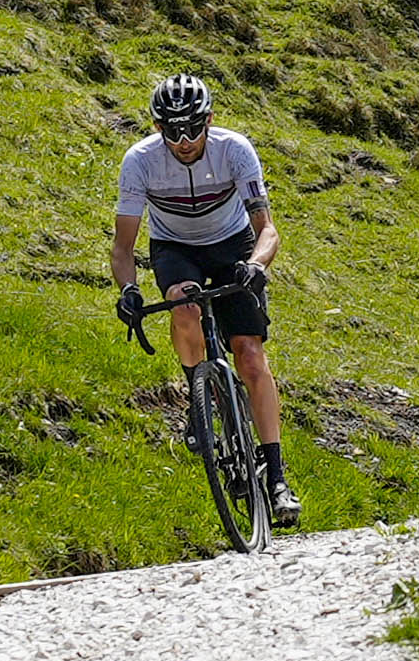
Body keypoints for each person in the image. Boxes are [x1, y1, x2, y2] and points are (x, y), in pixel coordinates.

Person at [111, 74, 298, 528]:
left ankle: (275, 477)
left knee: (250, 355)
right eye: (171, 130)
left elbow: (267, 230)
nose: (183, 140)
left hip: (232, 245)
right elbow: (123, 246)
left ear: (209, 121)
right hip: (175, 248)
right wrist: (128, 291)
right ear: (157, 127)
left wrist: (256, 265)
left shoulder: (235, 150)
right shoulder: (139, 162)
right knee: (183, 303)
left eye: (193, 128)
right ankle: (201, 395)